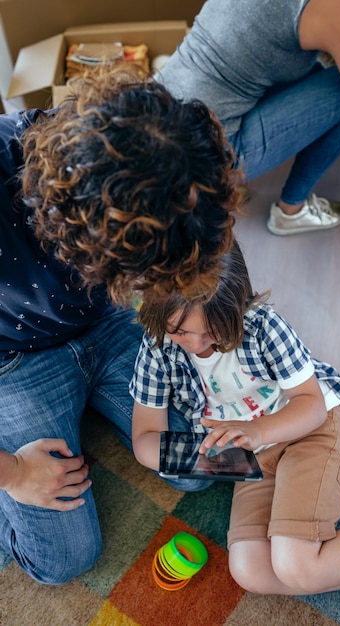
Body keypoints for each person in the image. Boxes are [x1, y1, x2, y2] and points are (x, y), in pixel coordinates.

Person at [0, 62, 243, 584]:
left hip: (99, 324)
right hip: (12, 363)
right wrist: (15, 472)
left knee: (203, 464)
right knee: (64, 560)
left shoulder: (126, 146)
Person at [132, 241, 340, 599]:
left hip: (308, 430)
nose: (196, 345)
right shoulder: (157, 345)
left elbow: (310, 404)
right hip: (247, 459)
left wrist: (258, 431)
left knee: (295, 566)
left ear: (238, 303)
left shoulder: (263, 325)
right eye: (181, 332)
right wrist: (201, 457)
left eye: (212, 332)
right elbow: (145, 437)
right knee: (250, 571)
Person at [156, 0, 340, 235]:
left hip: (158, 114)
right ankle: (292, 211)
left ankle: (213, 190)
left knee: (321, 71)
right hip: (205, 152)